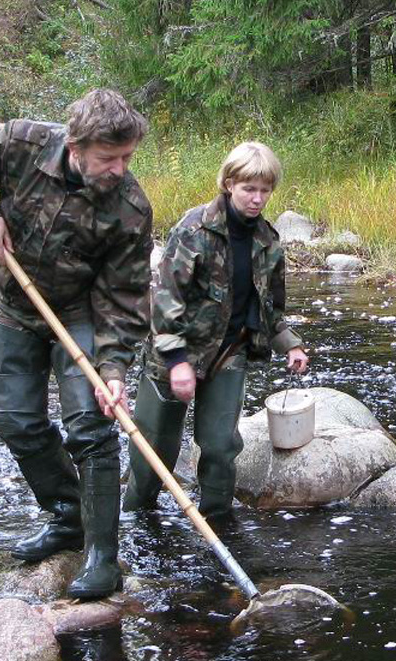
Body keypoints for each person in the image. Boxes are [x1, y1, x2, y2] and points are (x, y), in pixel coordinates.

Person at [0, 88, 153, 598]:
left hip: (82, 315)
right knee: (13, 417)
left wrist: (115, 369)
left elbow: (124, 298)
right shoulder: (23, 143)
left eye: (127, 157)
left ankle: (103, 555)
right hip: (16, 307)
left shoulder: (131, 208)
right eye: (108, 158)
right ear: (75, 147)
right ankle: (66, 515)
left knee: (91, 426)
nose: (119, 168)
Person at [122, 141, 308, 523]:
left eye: (265, 190)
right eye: (248, 189)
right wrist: (177, 363)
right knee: (155, 448)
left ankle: (219, 524)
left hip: (229, 353)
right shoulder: (194, 230)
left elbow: (270, 307)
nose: (257, 199)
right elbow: (165, 302)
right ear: (228, 184)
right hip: (172, 355)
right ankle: (137, 520)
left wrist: (290, 344)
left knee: (221, 446)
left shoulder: (268, 241)